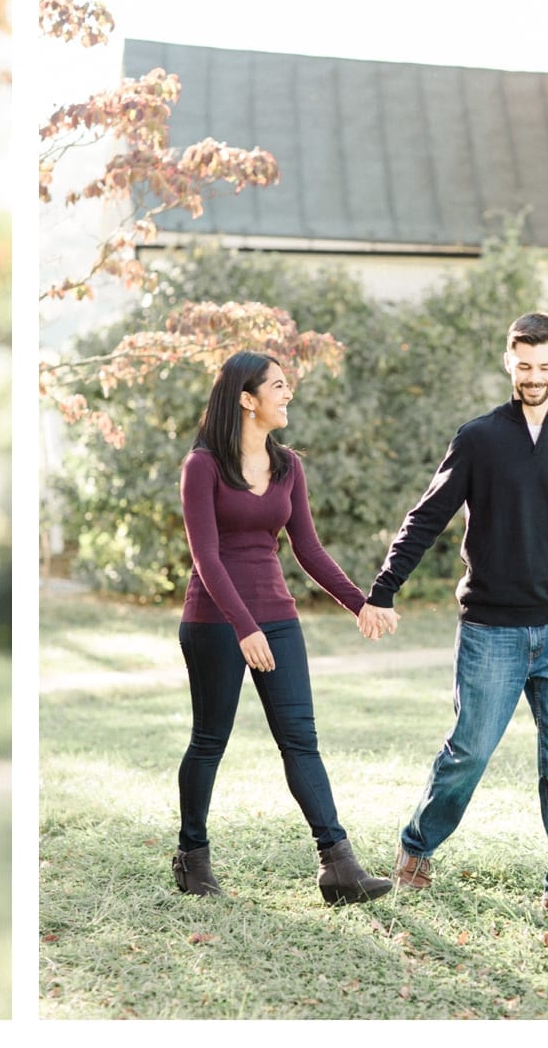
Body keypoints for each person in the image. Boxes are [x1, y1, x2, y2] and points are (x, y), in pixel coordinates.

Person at [358, 311, 548, 922]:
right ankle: (416, 849)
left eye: (545, 366)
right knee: (468, 751)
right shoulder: (478, 438)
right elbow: (427, 517)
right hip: (490, 630)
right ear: (509, 362)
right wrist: (384, 589)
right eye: (524, 366)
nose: (535, 377)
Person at [174, 350, 393, 904]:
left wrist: (360, 603)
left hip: (278, 617)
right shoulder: (202, 466)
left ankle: (339, 867)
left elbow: (309, 549)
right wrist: (244, 628)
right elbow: (206, 558)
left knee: (301, 741)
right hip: (215, 622)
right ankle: (192, 858)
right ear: (247, 400)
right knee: (209, 740)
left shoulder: (288, 465)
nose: (287, 392)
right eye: (277, 385)